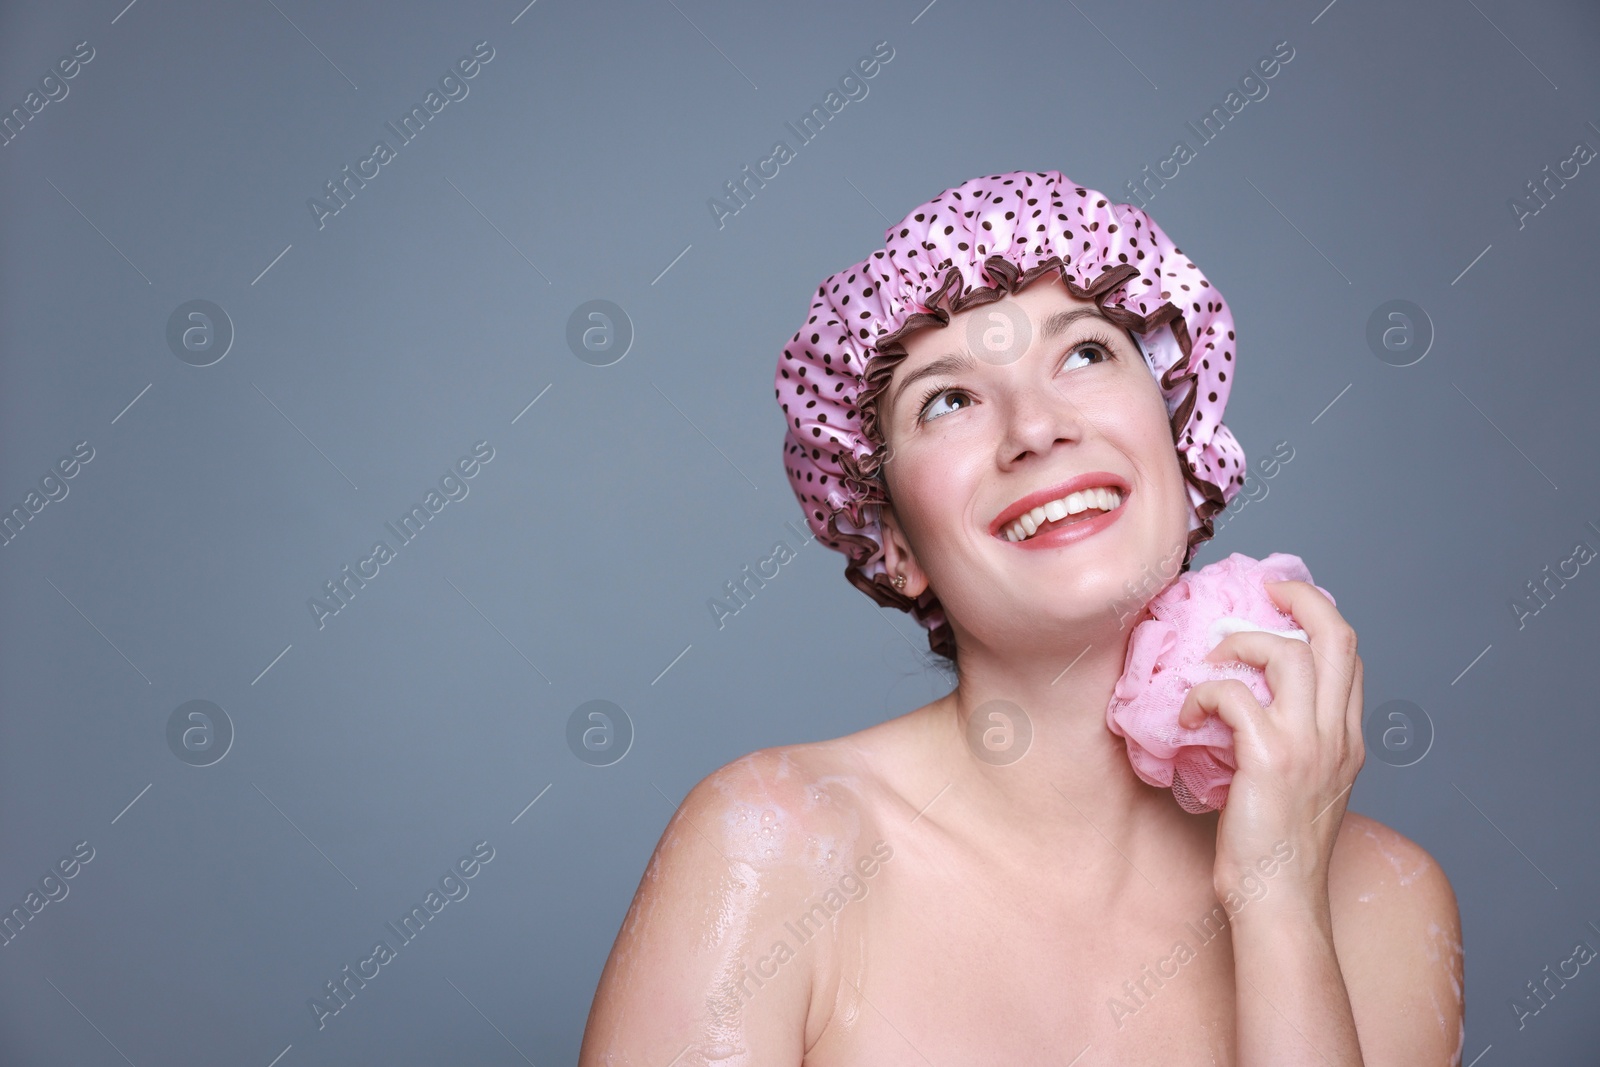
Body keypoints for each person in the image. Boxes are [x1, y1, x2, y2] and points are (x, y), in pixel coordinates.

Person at [579, 171, 1463, 1065]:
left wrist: (1277, 902)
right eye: (948, 400)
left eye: (1084, 353)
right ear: (894, 543)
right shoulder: (772, 849)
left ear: (1178, 436)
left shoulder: (1381, 903)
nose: (1036, 427)